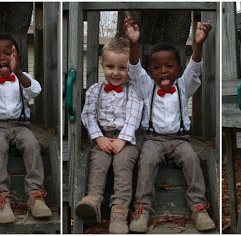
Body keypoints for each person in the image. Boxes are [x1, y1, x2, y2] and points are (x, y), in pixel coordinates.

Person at [124, 17, 215, 232]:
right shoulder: (146, 87)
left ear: (178, 68)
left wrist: (199, 43)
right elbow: (135, 70)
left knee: (192, 159)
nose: (163, 71)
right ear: (151, 71)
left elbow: (195, 68)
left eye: (169, 66)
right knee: (146, 161)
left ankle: (198, 207)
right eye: (157, 67)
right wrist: (133, 44)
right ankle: (143, 209)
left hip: (179, 140)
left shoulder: (183, 86)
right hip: (153, 140)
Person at [0, 34, 51, 224]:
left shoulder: (23, 77)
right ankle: (1, 197)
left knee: (33, 145)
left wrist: (18, 72)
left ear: (17, 57)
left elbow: (35, 91)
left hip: (21, 125)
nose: (2, 58)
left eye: (7, 53)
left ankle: (35, 195)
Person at [75, 37, 143, 234]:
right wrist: (98, 138)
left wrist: (122, 139)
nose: (116, 73)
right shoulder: (95, 90)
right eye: (110, 66)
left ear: (130, 68)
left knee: (123, 165)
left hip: (128, 140)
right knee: (98, 162)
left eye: (122, 68)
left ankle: (119, 214)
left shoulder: (135, 91)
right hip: (102, 138)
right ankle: (93, 201)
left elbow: (134, 116)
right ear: (102, 65)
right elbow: (87, 114)